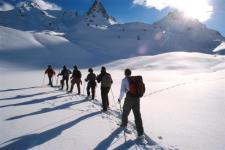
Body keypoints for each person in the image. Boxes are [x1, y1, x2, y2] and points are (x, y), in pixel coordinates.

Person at [118, 68, 145, 139]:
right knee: (137, 115)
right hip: (137, 98)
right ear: (130, 73)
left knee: (125, 111)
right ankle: (141, 133)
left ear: (125, 73)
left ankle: (124, 124)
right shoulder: (135, 79)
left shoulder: (124, 80)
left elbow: (122, 91)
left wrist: (120, 98)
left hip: (129, 97)